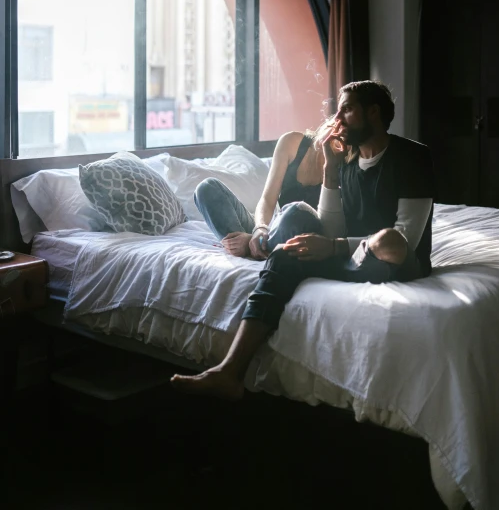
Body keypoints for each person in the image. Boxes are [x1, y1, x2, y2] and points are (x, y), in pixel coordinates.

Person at [171, 80, 435, 400]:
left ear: (374, 113)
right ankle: (228, 371)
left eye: (347, 108)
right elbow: (331, 226)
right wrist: (331, 170)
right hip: (354, 258)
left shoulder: (413, 156)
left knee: (388, 240)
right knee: (284, 254)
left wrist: (335, 247)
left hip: (398, 263)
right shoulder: (345, 160)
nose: (337, 116)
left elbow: (405, 239)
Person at [194, 118, 334, 260]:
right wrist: (260, 229)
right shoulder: (293, 143)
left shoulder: (346, 167)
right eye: (336, 121)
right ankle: (254, 246)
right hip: (272, 231)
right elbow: (267, 199)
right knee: (206, 188)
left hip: (303, 239)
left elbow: (331, 230)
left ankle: (255, 247)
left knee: (294, 215)